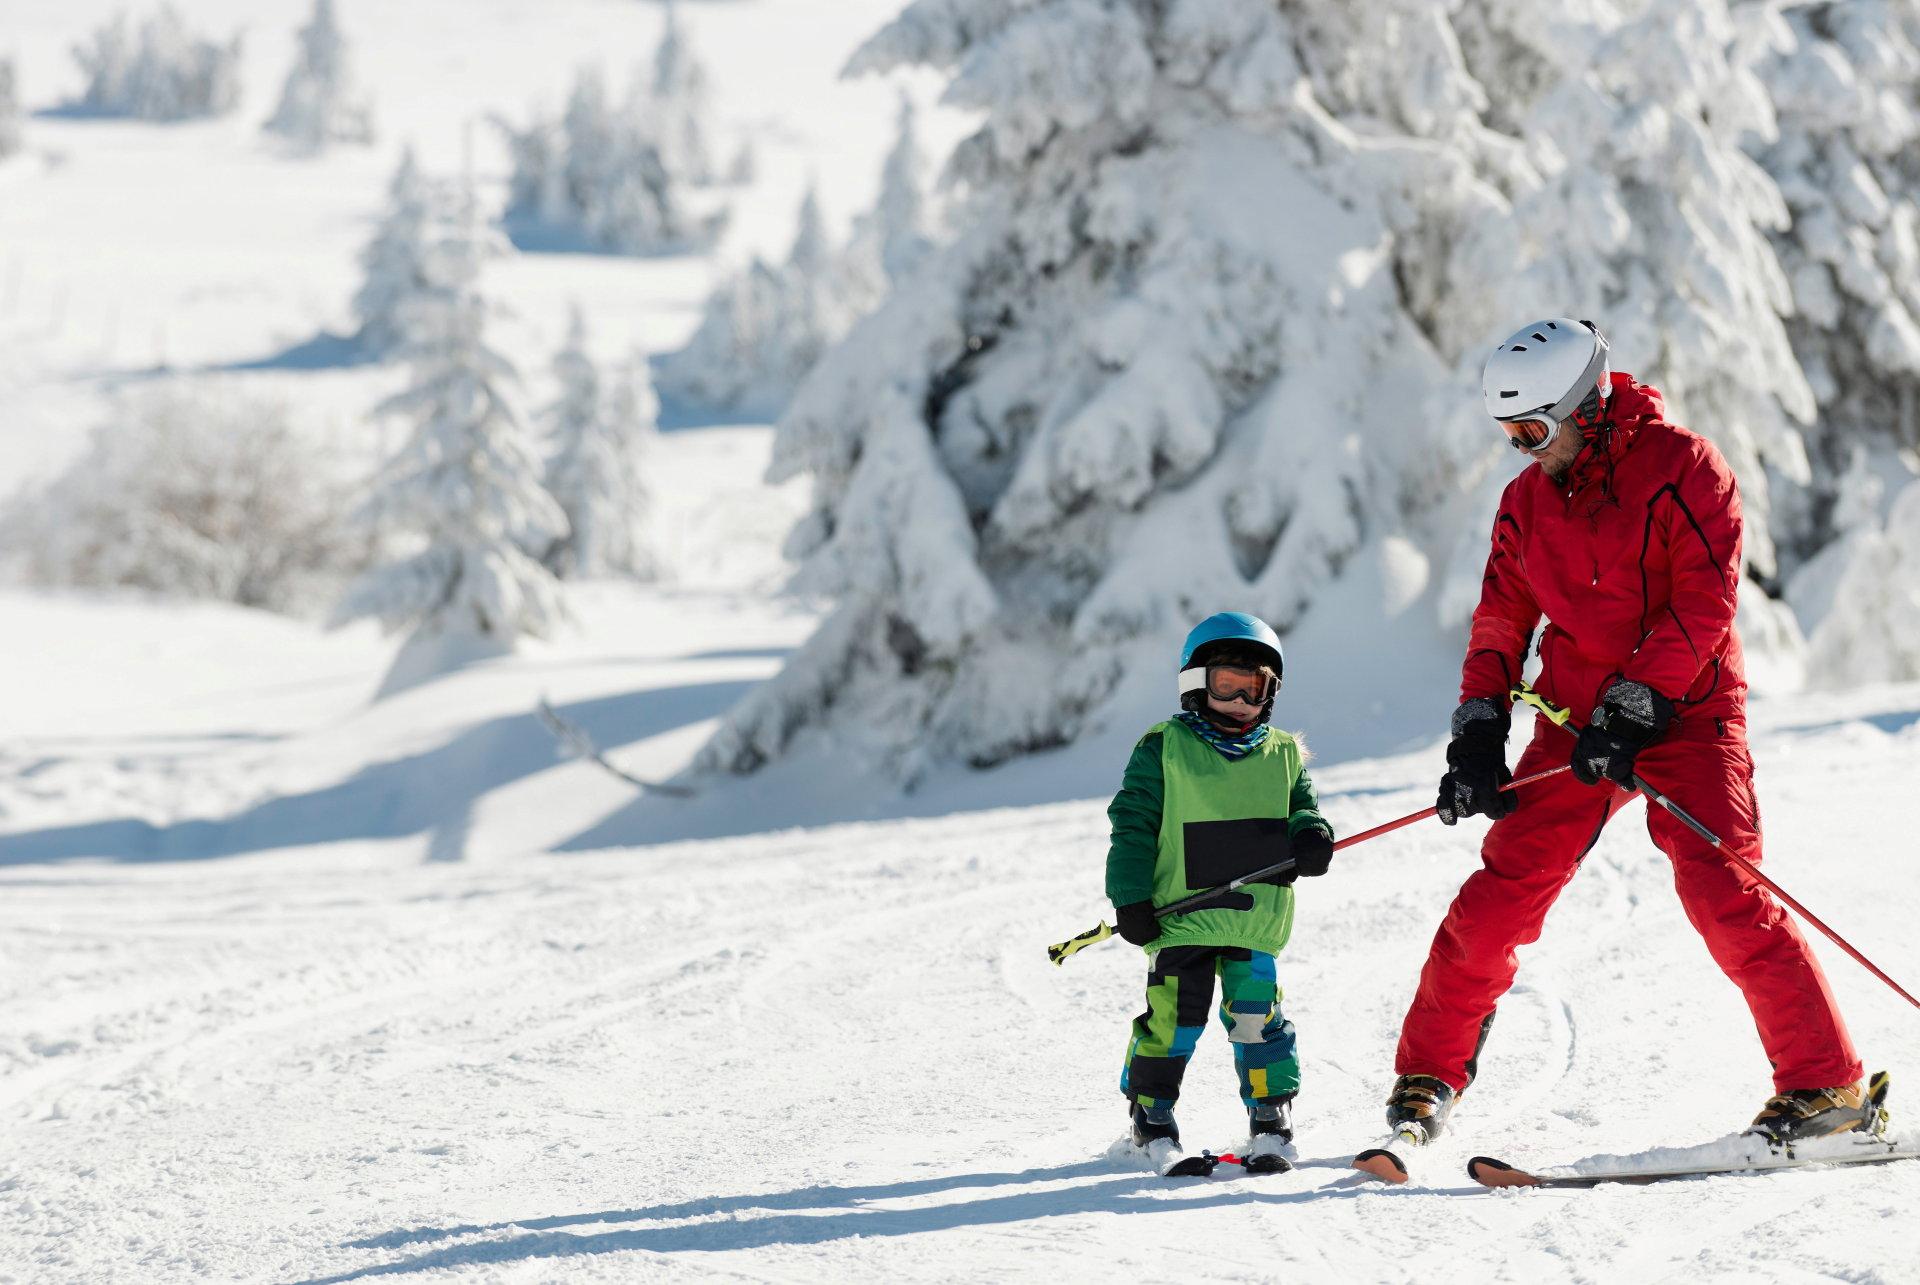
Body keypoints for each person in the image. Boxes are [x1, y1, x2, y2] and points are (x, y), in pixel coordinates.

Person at [1384, 317, 1868, 1148]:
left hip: (1687, 713)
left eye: (1534, 429)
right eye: (1509, 434)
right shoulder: (1527, 501)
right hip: (1575, 725)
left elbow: (1703, 603)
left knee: (1722, 887)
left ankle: (1827, 1089)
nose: (1525, 450)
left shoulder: (1687, 468)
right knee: (1501, 892)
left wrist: (1639, 702)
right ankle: (1429, 1073)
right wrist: (1478, 728)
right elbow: (1502, 618)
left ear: (1590, 405)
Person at [1106, 611, 1336, 1172]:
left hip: (1253, 919)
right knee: (1175, 1020)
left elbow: (1302, 809)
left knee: (1258, 1019)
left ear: (1270, 693)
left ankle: (1270, 1120)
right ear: (1196, 684)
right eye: (1225, 685)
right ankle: (1151, 1117)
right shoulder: (1163, 747)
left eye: (1252, 688)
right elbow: (1132, 824)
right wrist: (1130, 897)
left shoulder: (1283, 752)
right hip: (1180, 918)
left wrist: (1312, 836)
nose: (1238, 700)